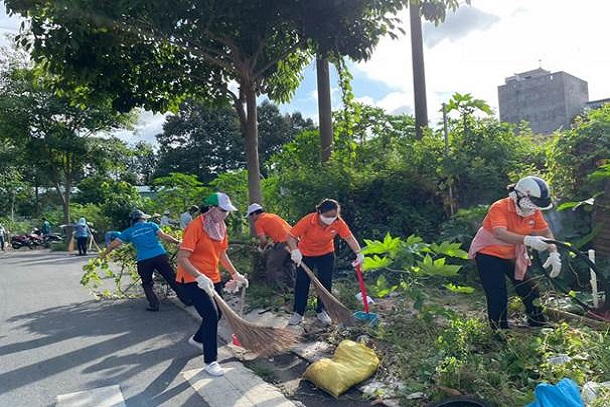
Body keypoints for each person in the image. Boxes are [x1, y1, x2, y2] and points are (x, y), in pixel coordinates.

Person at [468, 176, 562, 330]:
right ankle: (499, 331)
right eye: (531, 204)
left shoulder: (533, 211)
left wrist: (554, 253)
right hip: (489, 253)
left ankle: (537, 323)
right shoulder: (500, 207)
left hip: (512, 254)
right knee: (497, 293)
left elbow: (545, 232)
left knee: (530, 288)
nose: (532, 209)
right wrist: (528, 240)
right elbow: (500, 233)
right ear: (518, 195)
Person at [177, 192, 249, 377]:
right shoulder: (195, 226)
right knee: (210, 315)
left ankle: (198, 339)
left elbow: (222, 254)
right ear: (211, 209)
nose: (226, 214)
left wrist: (235, 274)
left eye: (227, 211)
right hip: (193, 278)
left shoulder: (221, 227)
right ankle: (210, 361)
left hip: (212, 277)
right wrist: (199, 277)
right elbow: (182, 258)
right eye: (222, 210)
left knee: (217, 315)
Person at [286, 198, 365, 326]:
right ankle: (298, 313)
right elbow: (290, 236)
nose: (331, 219)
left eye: (334, 216)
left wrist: (359, 253)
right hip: (305, 254)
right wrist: (295, 251)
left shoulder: (338, 222)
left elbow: (349, 237)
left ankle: (322, 311)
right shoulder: (308, 220)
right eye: (328, 216)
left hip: (326, 254)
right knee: (302, 283)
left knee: (325, 282)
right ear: (319, 212)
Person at [101, 209, 192, 311]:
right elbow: (164, 236)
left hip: (144, 260)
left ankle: (154, 305)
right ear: (143, 218)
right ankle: (187, 300)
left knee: (147, 283)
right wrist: (177, 242)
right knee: (171, 278)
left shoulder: (128, 232)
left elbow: (113, 245)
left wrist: (103, 255)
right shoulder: (151, 225)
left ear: (132, 220)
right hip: (160, 256)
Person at [246, 203, 294, 290]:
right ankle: (292, 287)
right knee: (288, 265)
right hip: (293, 240)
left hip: (283, 242)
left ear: (254, 213)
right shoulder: (272, 216)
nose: (251, 218)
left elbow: (263, 240)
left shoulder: (259, 221)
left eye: (251, 216)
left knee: (272, 266)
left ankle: (277, 291)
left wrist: (260, 248)